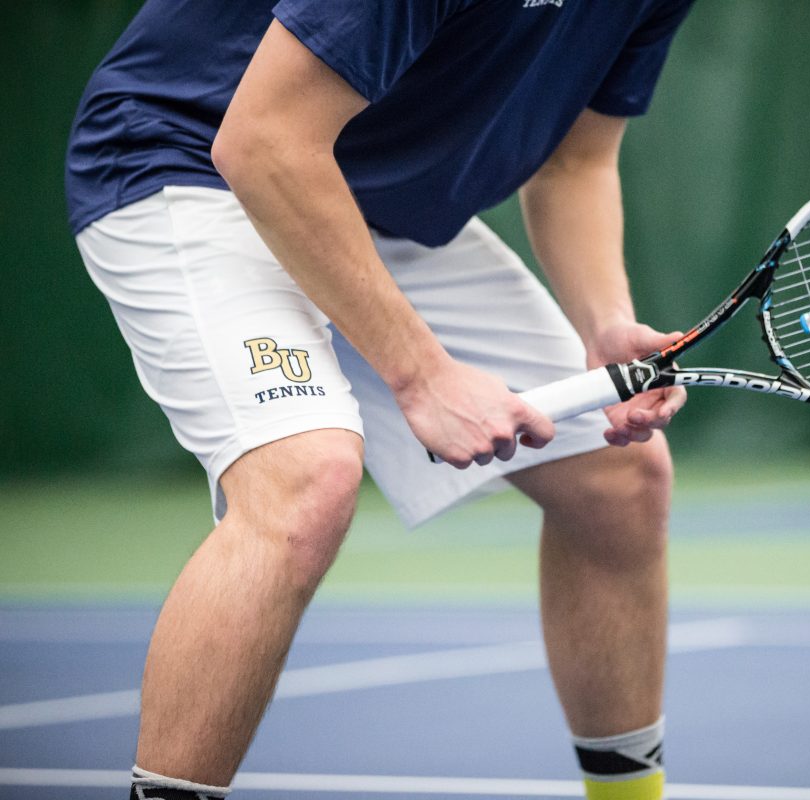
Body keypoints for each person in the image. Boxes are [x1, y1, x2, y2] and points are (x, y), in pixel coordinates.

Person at [66, 2, 694, 799]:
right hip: (193, 158)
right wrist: (423, 375)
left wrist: (602, 321)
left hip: (367, 189)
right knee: (307, 482)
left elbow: (576, 162)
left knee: (621, 482)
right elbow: (262, 141)